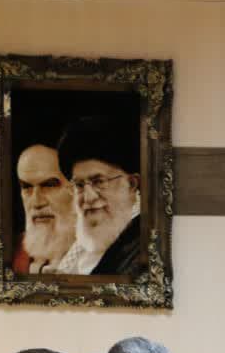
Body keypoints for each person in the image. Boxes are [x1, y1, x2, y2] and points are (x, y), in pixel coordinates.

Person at [54, 116, 140, 275]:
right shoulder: (77, 253)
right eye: (79, 185)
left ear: (131, 184)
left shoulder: (142, 249)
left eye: (99, 182)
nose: (88, 197)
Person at [16, 144, 76, 274]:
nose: (36, 202)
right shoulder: (9, 252)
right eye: (26, 187)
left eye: (49, 185)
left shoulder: (105, 253)